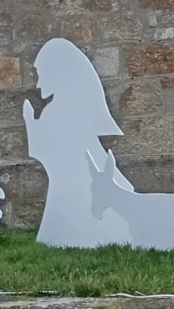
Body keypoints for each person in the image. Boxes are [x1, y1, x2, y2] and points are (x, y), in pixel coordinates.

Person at [24, 38, 134, 248]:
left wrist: (32, 126)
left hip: (75, 189)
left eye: (41, 75)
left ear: (57, 73)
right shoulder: (70, 108)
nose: (37, 84)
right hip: (70, 185)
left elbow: (44, 153)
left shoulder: (56, 111)